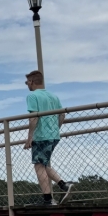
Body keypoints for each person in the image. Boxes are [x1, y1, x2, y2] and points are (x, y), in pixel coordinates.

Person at [23, 70, 73, 205]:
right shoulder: (53, 96)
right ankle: (64, 185)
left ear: (32, 82)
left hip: (40, 136)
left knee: (38, 166)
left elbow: (33, 117)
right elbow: (62, 115)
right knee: (43, 164)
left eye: (27, 82)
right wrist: (55, 129)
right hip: (54, 135)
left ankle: (48, 199)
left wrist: (29, 138)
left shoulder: (32, 96)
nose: (26, 84)